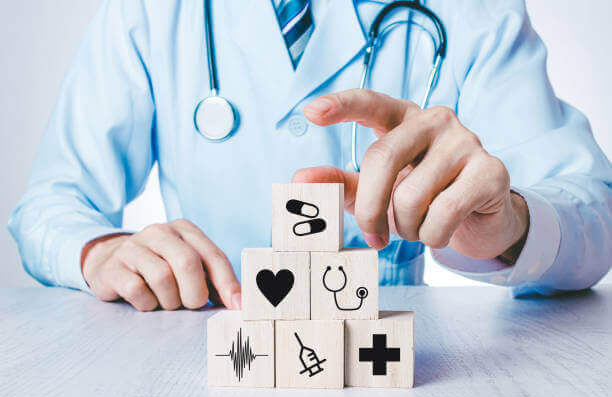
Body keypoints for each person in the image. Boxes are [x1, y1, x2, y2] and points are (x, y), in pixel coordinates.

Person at [9, 0, 611, 311]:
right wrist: (100, 250)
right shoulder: (151, 11)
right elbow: (52, 202)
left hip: (377, 365)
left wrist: (513, 225)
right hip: (203, 356)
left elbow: (595, 209)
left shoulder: (467, 9)